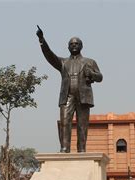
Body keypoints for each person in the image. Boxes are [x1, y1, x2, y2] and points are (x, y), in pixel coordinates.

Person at [36, 25, 103, 153]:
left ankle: (82, 149)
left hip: (83, 97)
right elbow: (49, 55)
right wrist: (42, 40)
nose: (74, 45)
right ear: (68, 47)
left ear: (81, 46)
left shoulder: (90, 62)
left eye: (76, 44)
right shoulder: (63, 62)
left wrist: (92, 74)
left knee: (82, 125)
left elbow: (100, 77)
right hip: (67, 96)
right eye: (71, 44)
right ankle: (64, 148)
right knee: (65, 123)